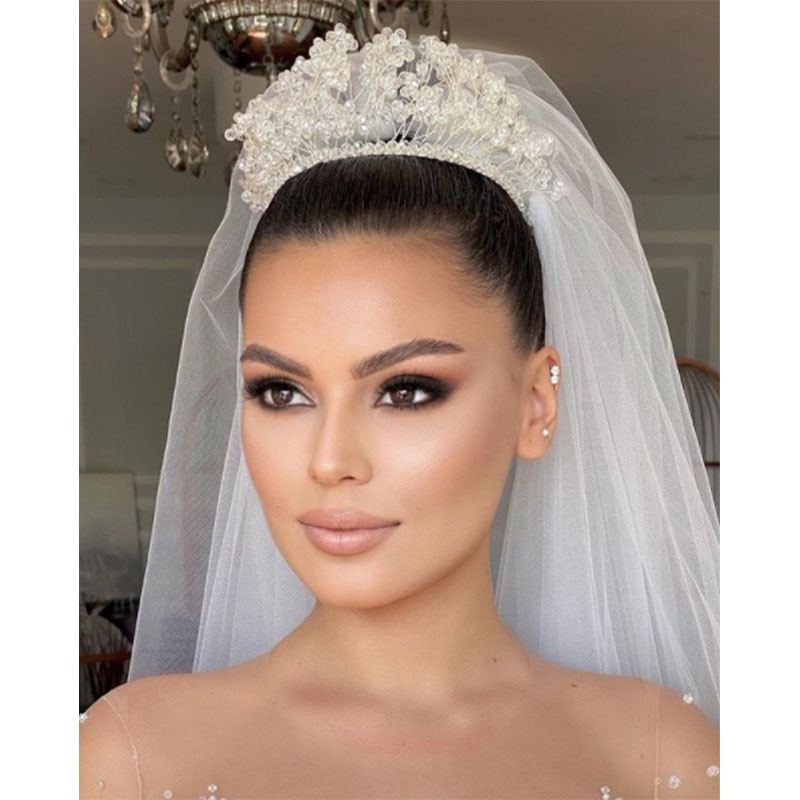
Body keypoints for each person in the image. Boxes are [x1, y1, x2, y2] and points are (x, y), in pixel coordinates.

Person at [79, 25, 720, 800]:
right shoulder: (128, 758)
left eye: (406, 390)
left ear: (535, 403)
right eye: (281, 392)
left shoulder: (660, 756)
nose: (329, 461)